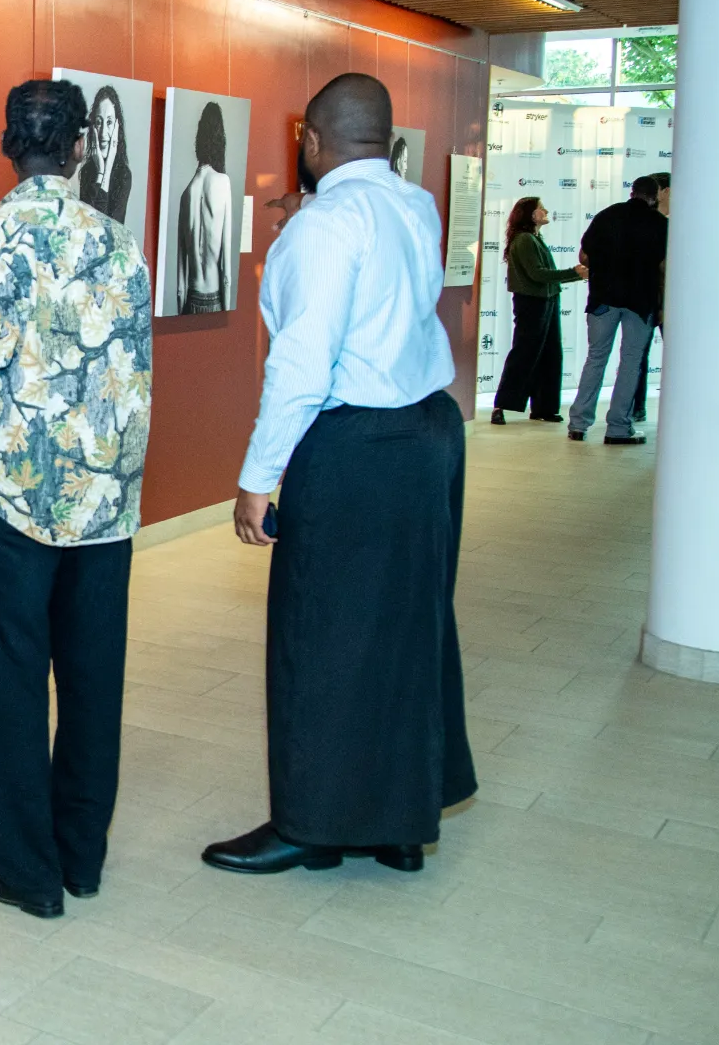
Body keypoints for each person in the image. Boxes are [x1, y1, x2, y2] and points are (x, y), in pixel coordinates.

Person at [207, 72, 474, 877]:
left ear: (312, 141)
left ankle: (312, 826)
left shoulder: (322, 227)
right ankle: (397, 824)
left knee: (319, 633)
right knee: (406, 626)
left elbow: (301, 361)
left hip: (356, 444)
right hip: (429, 433)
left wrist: (258, 476)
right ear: (386, 141)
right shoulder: (414, 204)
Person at [0, 78, 153, 919]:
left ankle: (26, 871)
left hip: (4, 501)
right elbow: (133, 378)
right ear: (80, 146)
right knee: (93, 685)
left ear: (7, 143)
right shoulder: (119, 242)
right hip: (99, 506)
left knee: (7, 687)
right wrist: (121, 486)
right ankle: (81, 857)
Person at [567, 174, 668, 445]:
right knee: (631, 362)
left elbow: (584, 256)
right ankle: (618, 428)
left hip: (602, 299)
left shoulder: (607, 215)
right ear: (655, 197)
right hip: (641, 302)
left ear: (632, 192)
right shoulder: (660, 224)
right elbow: (664, 267)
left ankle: (578, 424)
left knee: (596, 358)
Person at [490, 197, 587, 425]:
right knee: (525, 352)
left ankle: (544, 407)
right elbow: (538, 274)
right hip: (532, 302)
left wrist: (573, 275)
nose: (546, 211)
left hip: (546, 299)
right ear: (531, 215)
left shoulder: (533, 238)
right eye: (541, 208)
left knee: (550, 353)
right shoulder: (525, 240)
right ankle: (502, 404)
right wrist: (574, 273)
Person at [176, 102, 236, 313]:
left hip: (190, 301)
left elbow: (180, 289)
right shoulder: (223, 183)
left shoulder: (185, 195)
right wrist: (227, 318)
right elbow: (226, 274)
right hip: (214, 300)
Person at [627, 172, 672, 422]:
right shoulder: (647, 224)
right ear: (664, 192)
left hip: (666, 302)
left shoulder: (675, 225)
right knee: (637, 355)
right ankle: (636, 406)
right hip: (643, 300)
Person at [79, 84, 133, 223]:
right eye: (98, 122)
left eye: (109, 122)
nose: (103, 133)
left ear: (117, 127)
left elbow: (108, 228)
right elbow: (85, 225)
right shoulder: (86, 172)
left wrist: (106, 171)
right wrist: (100, 173)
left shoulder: (124, 175)